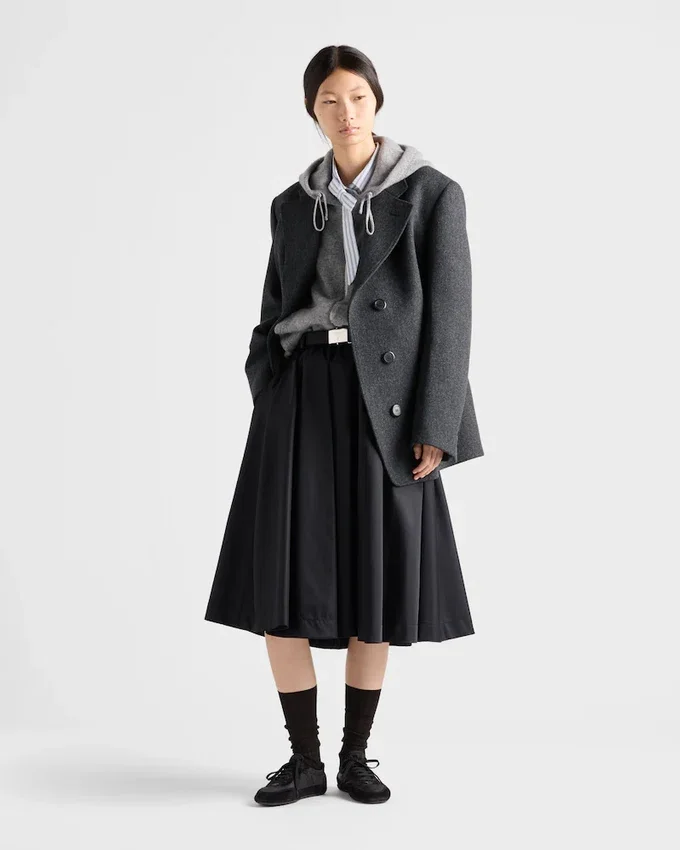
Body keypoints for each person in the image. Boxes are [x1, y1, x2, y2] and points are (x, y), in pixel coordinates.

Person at [204, 44, 484, 806]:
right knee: (279, 585)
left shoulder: (431, 194)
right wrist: (270, 385)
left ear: (376, 101)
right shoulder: (293, 205)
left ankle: (355, 757)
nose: (346, 112)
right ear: (313, 111)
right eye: (330, 100)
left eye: (357, 96)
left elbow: (452, 318)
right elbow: (275, 305)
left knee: (375, 586)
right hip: (299, 399)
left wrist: (435, 422)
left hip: (383, 408)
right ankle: (304, 761)